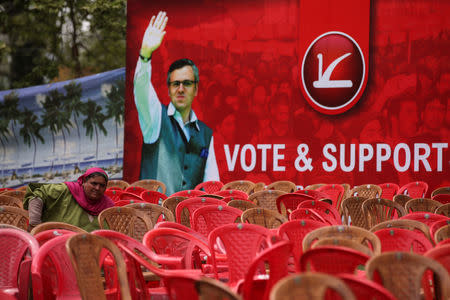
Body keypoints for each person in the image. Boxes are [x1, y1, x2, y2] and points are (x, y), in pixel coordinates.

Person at [134, 11, 219, 195]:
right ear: (169, 88)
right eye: (175, 83)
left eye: (187, 83)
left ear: (196, 89)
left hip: (187, 220)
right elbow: (141, 89)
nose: (181, 89)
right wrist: (145, 55)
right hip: (154, 219)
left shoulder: (205, 134)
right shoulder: (155, 118)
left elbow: (212, 185)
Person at [24, 167, 114, 232]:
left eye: (102, 185)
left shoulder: (108, 205)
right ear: (83, 182)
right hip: (56, 242)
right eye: (94, 183)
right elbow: (37, 196)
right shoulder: (67, 190)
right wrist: (35, 225)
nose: (97, 188)